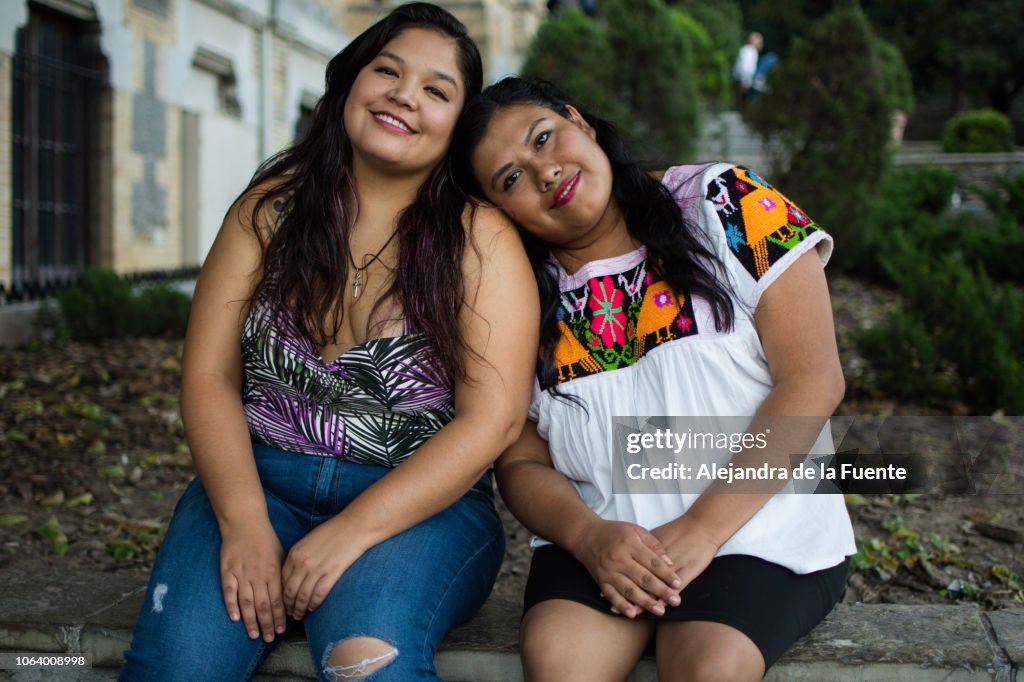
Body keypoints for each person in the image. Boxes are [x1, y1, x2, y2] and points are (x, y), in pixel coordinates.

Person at [120, 5, 538, 681]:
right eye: (388, 71)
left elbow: (493, 419)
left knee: (364, 662)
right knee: (177, 665)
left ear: (456, 127)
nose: (405, 95)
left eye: (436, 91)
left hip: (418, 507)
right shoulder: (268, 210)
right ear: (351, 82)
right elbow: (208, 378)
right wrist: (246, 524)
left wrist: (350, 532)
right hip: (260, 484)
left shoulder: (480, 239)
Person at [451, 77, 855, 681]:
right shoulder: (517, 302)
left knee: (707, 669)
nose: (545, 173)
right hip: (602, 539)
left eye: (545, 138)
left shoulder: (719, 201)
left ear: (580, 122)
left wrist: (700, 529)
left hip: (756, 529)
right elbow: (520, 463)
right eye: (510, 178)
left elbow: (812, 380)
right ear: (498, 210)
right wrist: (589, 537)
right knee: (558, 660)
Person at [733, 31, 763, 110]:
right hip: (743, 79)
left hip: (742, 78)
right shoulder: (750, 51)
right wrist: (746, 82)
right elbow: (746, 68)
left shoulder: (746, 49)